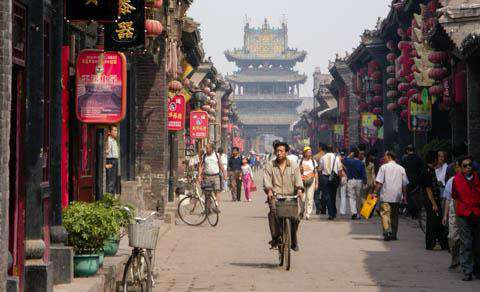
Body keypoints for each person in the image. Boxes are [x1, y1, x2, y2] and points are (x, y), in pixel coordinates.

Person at [263, 142, 304, 251]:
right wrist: (269, 190)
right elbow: (267, 180)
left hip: (290, 196)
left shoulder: (294, 166)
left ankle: (293, 240)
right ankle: (275, 237)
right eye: (277, 151)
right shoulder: (270, 165)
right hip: (275, 196)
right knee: (273, 213)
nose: (279, 153)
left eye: (281, 151)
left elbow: (298, 179)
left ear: (286, 152)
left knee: (296, 217)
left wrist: (299, 189)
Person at [451, 156, 480, 281]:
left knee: (477, 242)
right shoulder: (456, 180)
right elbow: (455, 198)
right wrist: (457, 215)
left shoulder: (478, 178)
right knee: (466, 242)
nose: (468, 167)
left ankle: (476, 269)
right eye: (465, 165)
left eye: (470, 165)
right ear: (460, 167)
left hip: (477, 212)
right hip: (463, 213)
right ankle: (467, 270)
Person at [373, 151, 408, 241]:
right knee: (395, 216)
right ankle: (394, 234)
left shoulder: (383, 167)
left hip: (386, 195)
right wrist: (404, 196)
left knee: (385, 214)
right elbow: (404, 185)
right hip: (397, 196)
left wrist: (375, 192)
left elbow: (379, 182)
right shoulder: (401, 169)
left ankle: (387, 232)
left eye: (384, 156)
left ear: (389, 157)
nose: (383, 158)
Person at [423, 151, 449, 250]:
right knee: (433, 222)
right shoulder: (428, 171)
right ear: (434, 159)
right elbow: (428, 188)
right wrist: (434, 203)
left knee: (436, 221)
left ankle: (441, 243)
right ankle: (431, 244)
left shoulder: (431, 169)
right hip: (431, 200)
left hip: (434, 199)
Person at [442, 161, 461, 271]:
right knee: (452, 237)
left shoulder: (471, 180)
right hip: (453, 212)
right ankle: (454, 259)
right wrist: (445, 216)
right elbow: (448, 199)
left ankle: (463, 261)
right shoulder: (451, 181)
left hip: (466, 212)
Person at [198, 143, 227, 210]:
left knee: (217, 191)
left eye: (207, 148)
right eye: (206, 148)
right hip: (207, 177)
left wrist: (225, 175)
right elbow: (201, 166)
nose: (206, 149)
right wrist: (199, 175)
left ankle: (216, 206)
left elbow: (221, 165)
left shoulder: (216, 155)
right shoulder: (204, 156)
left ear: (211, 148)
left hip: (216, 176)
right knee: (207, 193)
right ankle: (208, 208)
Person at [318, 144, 343, 220]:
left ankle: (331, 213)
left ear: (325, 150)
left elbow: (320, 169)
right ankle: (334, 212)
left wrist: (320, 179)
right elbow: (339, 170)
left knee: (327, 196)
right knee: (333, 195)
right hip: (334, 178)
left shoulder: (322, 158)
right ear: (333, 150)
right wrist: (340, 179)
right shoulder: (337, 158)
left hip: (325, 178)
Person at [341, 148, 367, 220]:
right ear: (358, 155)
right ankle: (358, 213)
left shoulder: (349, 161)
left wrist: (349, 155)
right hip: (359, 181)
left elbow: (342, 160)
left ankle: (354, 213)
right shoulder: (361, 163)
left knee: (351, 198)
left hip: (350, 181)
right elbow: (364, 174)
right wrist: (365, 182)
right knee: (358, 198)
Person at [401, 145, 425, 219]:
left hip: (408, 180)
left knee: (409, 196)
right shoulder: (419, 158)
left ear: (407, 151)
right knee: (417, 196)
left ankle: (410, 212)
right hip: (417, 181)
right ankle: (417, 212)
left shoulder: (405, 159)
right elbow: (422, 169)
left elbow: (403, 170)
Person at [299, 146, 318, 220]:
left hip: (311, 181)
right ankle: (302, 211)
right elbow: (297, 172)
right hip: (302, 182)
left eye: (310, 152)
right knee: (302, 198)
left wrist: (316, 183)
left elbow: (316, 173)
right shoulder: (300, 161)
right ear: (304, 153)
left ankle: (308, 214)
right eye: (308, 152)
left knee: (310, 198)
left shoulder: (313, 161)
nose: (309, 153)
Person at [105, 125, 120, 195]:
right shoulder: (108, 140)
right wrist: (105, 164)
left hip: (115, 161)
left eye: (116, 131)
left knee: (114, 180)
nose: (116, 132)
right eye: (114, 130)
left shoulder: (114, 140)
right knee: (110, 181)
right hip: (111, 161)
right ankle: (109, 197)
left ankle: (112, 196)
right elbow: (105, 152)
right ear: (109, 132)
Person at [313, 143, 327, 215]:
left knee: (316, 193)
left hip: (317, 175)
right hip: (325, 176)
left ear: (320, 148)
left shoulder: (315, 157)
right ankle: (324, 209)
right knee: (325, 193)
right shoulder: (327, 156)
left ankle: (318, 207)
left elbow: (313, 168)